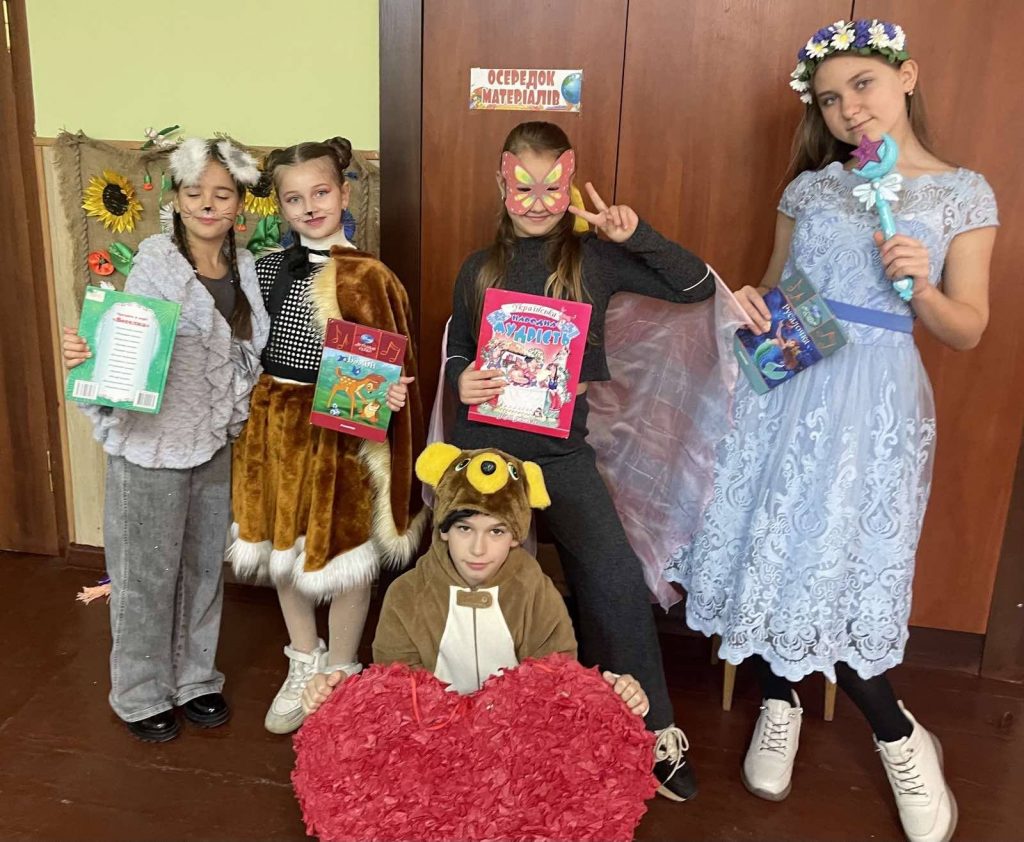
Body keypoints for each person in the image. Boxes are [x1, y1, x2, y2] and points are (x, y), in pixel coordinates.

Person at [666, 19, 998, 842]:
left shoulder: (964, 193)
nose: (849, 108)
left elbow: (967, 330)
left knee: (840, 559)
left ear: (906, 76)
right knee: (773, 541)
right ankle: (778, 699)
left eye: (863, 85)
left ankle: (899, 736)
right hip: (786, 380)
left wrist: (922, 286)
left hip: (874, 398)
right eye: (828, 99)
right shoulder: (810, 190)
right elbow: (773, 288)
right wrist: (749, 301)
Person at [444, 120, 716, 801]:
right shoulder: (478, 269)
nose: (538, 202)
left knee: (614, 576)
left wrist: (636, 234)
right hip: (487, 454)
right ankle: (484, 722)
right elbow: (459, 349)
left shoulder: (595, 258)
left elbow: (696, 289)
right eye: (523, 186)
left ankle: (651, 728)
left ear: (570, 181)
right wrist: (458, 377)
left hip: (562, 453)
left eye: (552, 187)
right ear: (501, 182)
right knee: (484, 583)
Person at [62, 138, 270, 741]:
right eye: (195, 192)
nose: (208, 204)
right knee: (145, 573)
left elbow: (247, 353)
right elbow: (127, 336)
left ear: (239, 204)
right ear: (176, 198)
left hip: (213, 438)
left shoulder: (247, 269)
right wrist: (86, 350)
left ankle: (196, 679)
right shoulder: (155, 260)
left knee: (203, 569)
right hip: (151, 442)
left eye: (223, 194)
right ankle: (139, 691)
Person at [226, 138, 425, 735]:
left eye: (320, 193)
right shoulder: (264, 269)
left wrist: (391, 397)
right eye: (294, 199)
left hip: (342, 435)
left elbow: (394, 367)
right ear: (279, 206)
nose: (309, 207)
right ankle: (303, 660)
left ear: (343, 193)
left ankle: (340, 672)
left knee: (346, 553)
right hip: (275, 428)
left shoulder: (372, 276)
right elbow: (241, 349)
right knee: (283, 548)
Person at [302, 443, 650, 720]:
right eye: (464, 529)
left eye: (496, 531)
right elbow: (397, 691)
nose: (478, 549)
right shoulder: (406, 595)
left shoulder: (536, 592)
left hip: (513, 736)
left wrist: (611, 693)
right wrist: (339, 694)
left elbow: (555, 681)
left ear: (515, 536)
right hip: (434, 737)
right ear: (443, 530)